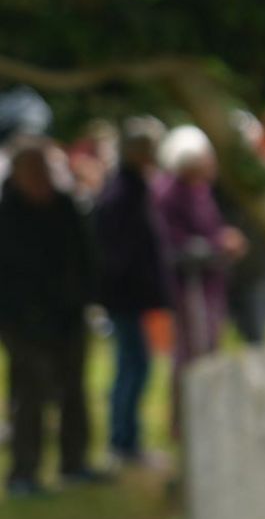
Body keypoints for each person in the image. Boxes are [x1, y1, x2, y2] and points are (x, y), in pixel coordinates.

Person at [0, 139, 101, 496]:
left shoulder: (64, 207)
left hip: (67, 317)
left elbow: (85, 259)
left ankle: (75, 462)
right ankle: (24, 473)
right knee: (30, 395)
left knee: (74, 391)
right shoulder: (7, 214)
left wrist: (84, 300)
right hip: (22, 323)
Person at [92, 121, 173, 465]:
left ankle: (126, 439)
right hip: (126, 298)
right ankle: (123, 442)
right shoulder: (122, 193)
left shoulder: (132, 187)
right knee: (132, 366)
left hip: (131, 297)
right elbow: (120, 255)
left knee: (135, 365)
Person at [154, 127, 246, 383]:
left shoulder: (199, 189)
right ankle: (185, 418)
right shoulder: (169, 192)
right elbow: (175, 244)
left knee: (208, 351)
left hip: (208, 285)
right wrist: (220, 244)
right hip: (190, 287)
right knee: (192, 355)